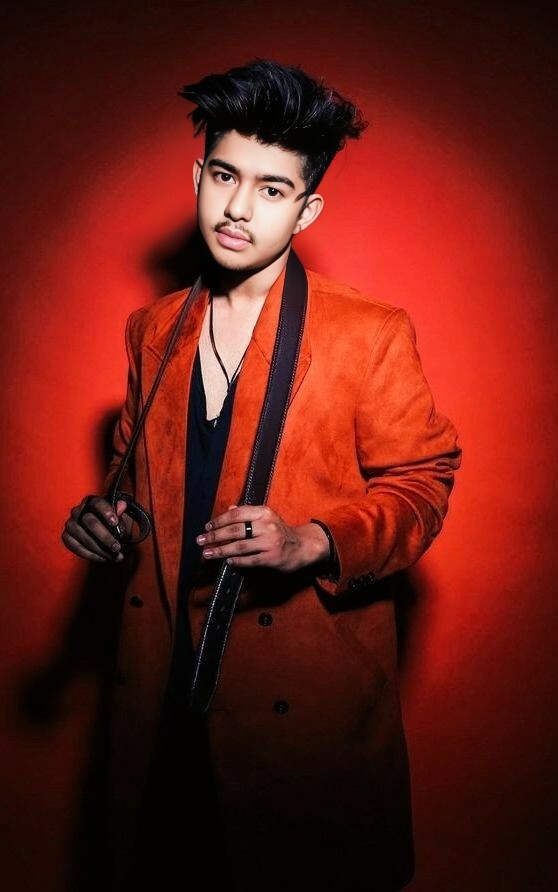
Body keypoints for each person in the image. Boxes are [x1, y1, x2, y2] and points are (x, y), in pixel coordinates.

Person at [62, 59, 462, 892]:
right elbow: (141, 484)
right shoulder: (152, 329)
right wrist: (110, 521)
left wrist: (314, 540)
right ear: (197, 177)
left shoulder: (369, 332)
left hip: (295, 710)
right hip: (164, 700)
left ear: (307, 208)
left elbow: (423, 482)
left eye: (272, 189)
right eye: (225, 176)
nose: (239, 208)